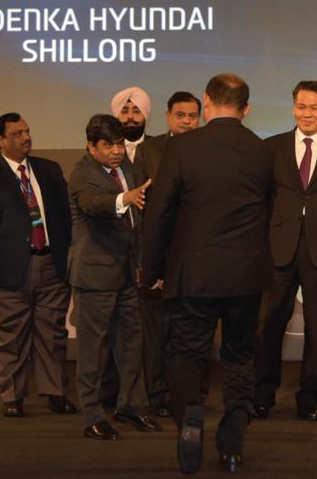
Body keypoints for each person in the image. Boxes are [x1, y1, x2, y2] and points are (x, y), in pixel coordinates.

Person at [142, 73, 274, 474]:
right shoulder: (262, 150)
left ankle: (190, 416)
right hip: (246, 274)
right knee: (239, 356)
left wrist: (153, 269)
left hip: (194, 273)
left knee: (186, 353)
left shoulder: (182, 147)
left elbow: (159, 213)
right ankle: (232, 441)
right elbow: (269, 211)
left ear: (207, 101)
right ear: (246, 109)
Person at [254, 80, 317, 421]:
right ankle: (262, 395)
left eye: (314, 108)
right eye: (302, 106)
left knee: (316, 327)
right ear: (293, 108)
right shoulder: (272, 147)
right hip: (278, 249)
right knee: (270, 324)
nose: (307, 114)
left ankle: (308, 399)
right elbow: (262, 202)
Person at [0, 113, 75, 418]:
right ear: (0, 140)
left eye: (27, 131)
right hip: (3, 272)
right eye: (17, 134)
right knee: (9, 338)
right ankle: (13, 396)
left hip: (51, 265)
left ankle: (56, 393)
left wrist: (70, 259)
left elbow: (67, 218)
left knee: (53, 335)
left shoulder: (49, 170)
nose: (26, 138)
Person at [112, 86, 203, 418]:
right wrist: (148, 261)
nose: (187, 121)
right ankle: (158, 395)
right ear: (167, 117)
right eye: (180, 115)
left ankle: (191, 395)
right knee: (156, 331)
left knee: (194, 331)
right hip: (158, 254)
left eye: (193, 116)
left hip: (200, 254)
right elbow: (142, 207)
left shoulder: (208, 147)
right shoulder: (149, 150)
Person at [68, 114, 159, 439]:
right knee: (93, 351)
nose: (116, 151)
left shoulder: (127, 168)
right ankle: (92, 415)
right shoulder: (82, 174)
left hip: (126, 275)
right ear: (91, 146)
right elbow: (92, 204)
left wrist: (141, 263)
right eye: (108, 145)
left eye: (119, 144)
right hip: (94, 277)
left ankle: (131, 407)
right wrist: (125, 198)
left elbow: (135, 226)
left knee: (131, 345)